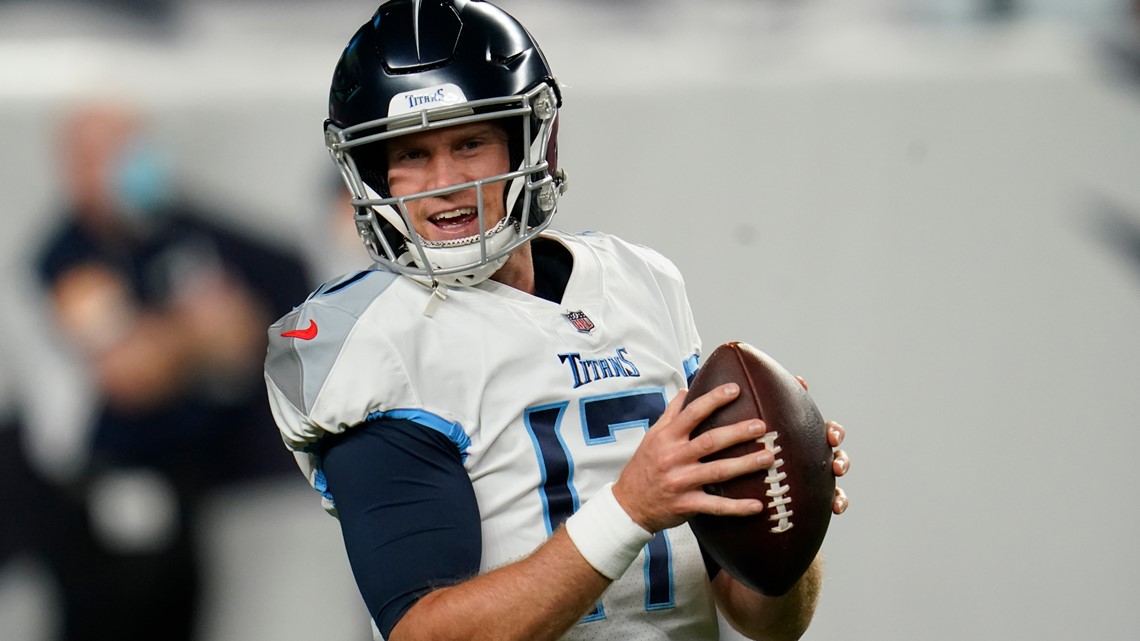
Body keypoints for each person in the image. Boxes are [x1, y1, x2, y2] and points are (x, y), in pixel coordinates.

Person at [264, 2, 850, 640]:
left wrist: (789, 508)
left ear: (529, 140)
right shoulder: (374, 342)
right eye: (412, 154)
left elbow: (769, 622)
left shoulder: (639, 282)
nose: (444, 183)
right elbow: (424, 635)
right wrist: (630, 509)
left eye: (469, 142)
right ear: (371, 172)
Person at [35, 101, 312, 641]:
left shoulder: (179, 232)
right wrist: (199, 333)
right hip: (99, 501)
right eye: (116, 150)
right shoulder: (65, 255)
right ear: (81, 165)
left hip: (191, 491)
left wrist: (184, 337)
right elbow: (133, 373)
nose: (135, 162)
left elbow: (252, 325)